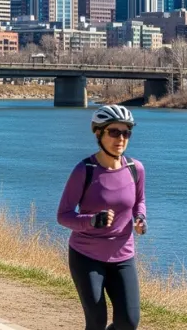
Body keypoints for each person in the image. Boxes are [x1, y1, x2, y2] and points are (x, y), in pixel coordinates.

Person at [57, 105, 146, 330]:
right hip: (87, 256)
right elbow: (63, 216)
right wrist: (91, 220)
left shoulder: (136, 169)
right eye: (114, 132)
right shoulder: (84, 170)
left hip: (123, 256)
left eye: (126, 133)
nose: (121, 138)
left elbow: (139, 202)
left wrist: (140, 218)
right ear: (99, 133)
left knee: (129, 322)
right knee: (96, 322)